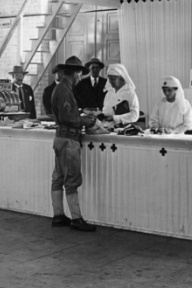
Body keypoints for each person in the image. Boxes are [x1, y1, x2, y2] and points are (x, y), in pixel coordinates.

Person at [50, 56, 97, 232]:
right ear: (76, 73)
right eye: (79, 74)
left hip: (60, 138)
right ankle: (76, 219)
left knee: (58, 178)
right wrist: (85, 120)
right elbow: (68, 117)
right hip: (69, 140)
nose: (79, 78)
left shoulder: (61, 88)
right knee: (72, 179)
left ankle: (58, 215)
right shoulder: (64, 90)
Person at [100, 63, 139, 128]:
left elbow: (135, 115)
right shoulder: (109, 93)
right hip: (107, 129)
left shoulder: (130, 93)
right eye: (109, 79)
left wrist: (115, 118)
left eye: (113, 79)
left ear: (122, 79)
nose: (110, 81)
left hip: (123, 131)